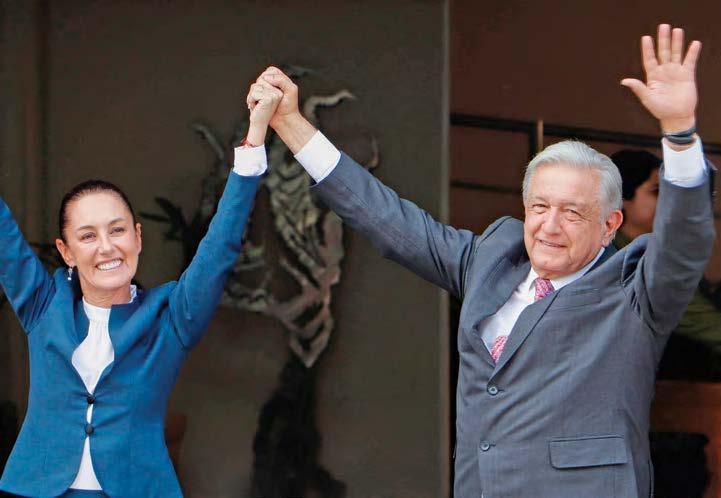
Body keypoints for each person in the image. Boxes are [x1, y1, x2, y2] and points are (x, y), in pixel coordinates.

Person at [252, 24, 714, 497]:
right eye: (539, 206)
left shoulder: (633, 292)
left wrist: (680, 133)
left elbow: (683, 246)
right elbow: (387, 219)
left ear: (610, 225)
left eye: (573, 212)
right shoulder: (492, 261)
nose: (550, 225)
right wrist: (291, 124)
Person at [0, 79, 283, 497]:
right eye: (88, 236)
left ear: (137, 237)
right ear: (66, 251)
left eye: (117, 230)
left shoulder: (170, 318)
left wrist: (254, 140)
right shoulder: (45, 305)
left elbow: (220, 247)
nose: (106, 247)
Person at [614, 149, 721, 380]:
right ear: (621, 198)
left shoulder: (657, 251)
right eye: (657, 191)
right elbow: (699, 320)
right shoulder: (622, 258)